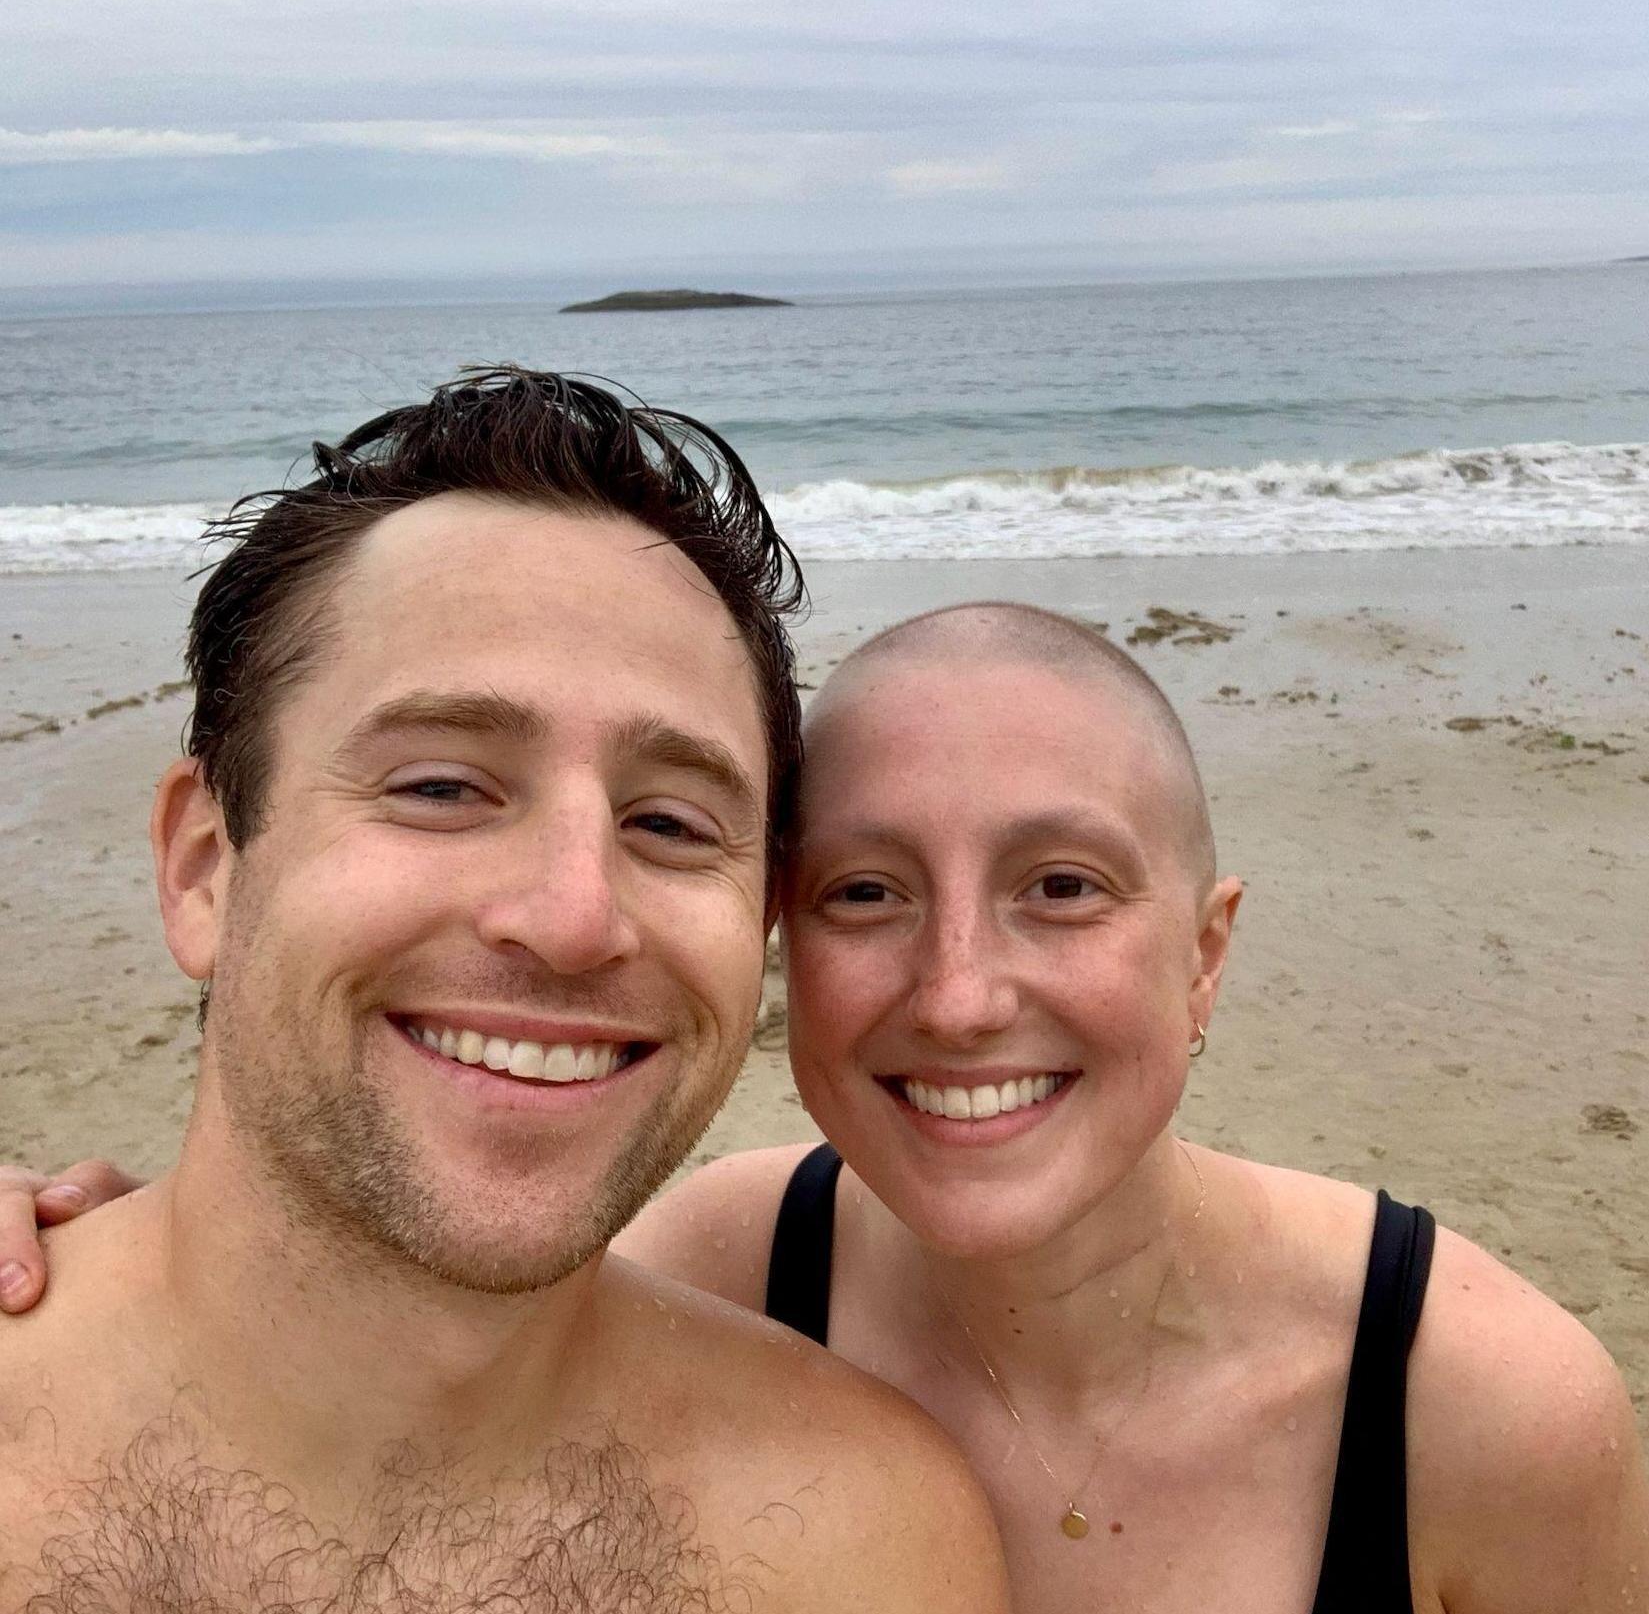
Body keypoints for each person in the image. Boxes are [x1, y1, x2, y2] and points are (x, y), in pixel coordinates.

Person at [8, 576, 1648, 1606]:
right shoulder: (704, 1256)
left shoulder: (1483, 1405)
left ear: (1203, 954)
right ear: (785, 940)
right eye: (862, 891)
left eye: (1061, 885)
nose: (954, 991)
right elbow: (394, 1261)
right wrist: (100, 1246)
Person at [0, 370, 1010, 1613]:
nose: (574, 916)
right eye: (440, 785)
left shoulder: (863, 1544)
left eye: (669, 820)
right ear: (204, 865)